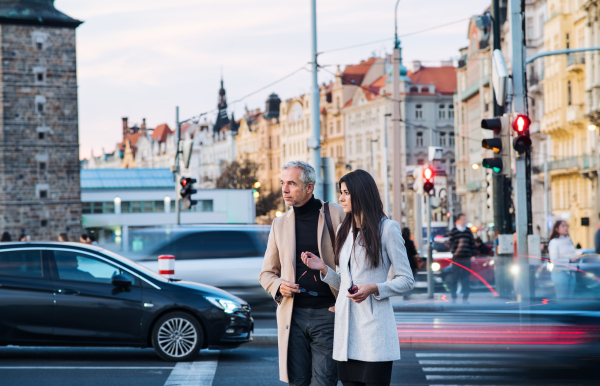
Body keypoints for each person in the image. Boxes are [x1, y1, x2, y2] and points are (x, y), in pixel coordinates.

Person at [301, 169, 414, 386]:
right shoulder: (345, 228)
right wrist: (324, 269)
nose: (340, 198)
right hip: (347, 333)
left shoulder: (388, 229)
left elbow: (406, 279)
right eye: (340, 192)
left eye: (346, 193)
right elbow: (346, 282)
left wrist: (374, 288)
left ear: (361, 193)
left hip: (374, 332)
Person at [259, 160, 346, 386]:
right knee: (297, 381)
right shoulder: (279, 224)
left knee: (324, 381)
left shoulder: (335, 214)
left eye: (292, 184)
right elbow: (267, 273)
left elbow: (355, 267)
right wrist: (279, 286)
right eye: (283, 183)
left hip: (328, 314)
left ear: (309, 187)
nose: (285, 190)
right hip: (293, 315)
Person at [447, 213, 476, 302]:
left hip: (467, 258)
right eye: (463, 219)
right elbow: (450, 243)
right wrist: (454, 252)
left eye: (465, 219)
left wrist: (473, 254)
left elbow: (472, 243)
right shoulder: (454, 231)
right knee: (455, 278)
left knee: (466, 279)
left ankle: (465, 298)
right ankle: (454, 297)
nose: (465, 221)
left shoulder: (468, 231)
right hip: (457, 258)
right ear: (458, 220)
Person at [548, 220, 577, 300]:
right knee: (562, 299)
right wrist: (569, 260)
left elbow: (573, 253)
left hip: (571, 272)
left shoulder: (569, 240)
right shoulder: (554, 242)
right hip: (560, 273)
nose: (565, 228)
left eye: (566, 225)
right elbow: (554, 260)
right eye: (563, 226)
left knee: (570, 299)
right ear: (557, 229)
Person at [401, 227, 419, 300]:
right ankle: (408, 294)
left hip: (403, 263)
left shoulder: (401, 242)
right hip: (411, 263)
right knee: (412, 278)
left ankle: (405, 294)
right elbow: (414, 252)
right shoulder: (410, 242)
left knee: (404, 279)